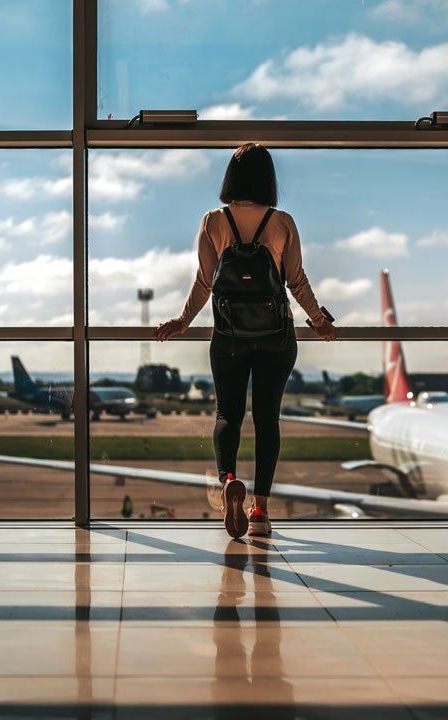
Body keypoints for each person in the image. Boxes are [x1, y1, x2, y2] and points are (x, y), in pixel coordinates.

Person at [154, 143, 337, 539]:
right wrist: (319, 320)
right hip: (277, 335)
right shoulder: (282, 221)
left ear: (230, 178)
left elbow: (205, 282)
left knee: (228, 416)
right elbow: (296, 281)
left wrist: (183, 321)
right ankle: (260, 512)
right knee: (267, 419)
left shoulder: (213, 221)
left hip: (229, 336)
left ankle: (228, 483)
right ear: (269, 178)